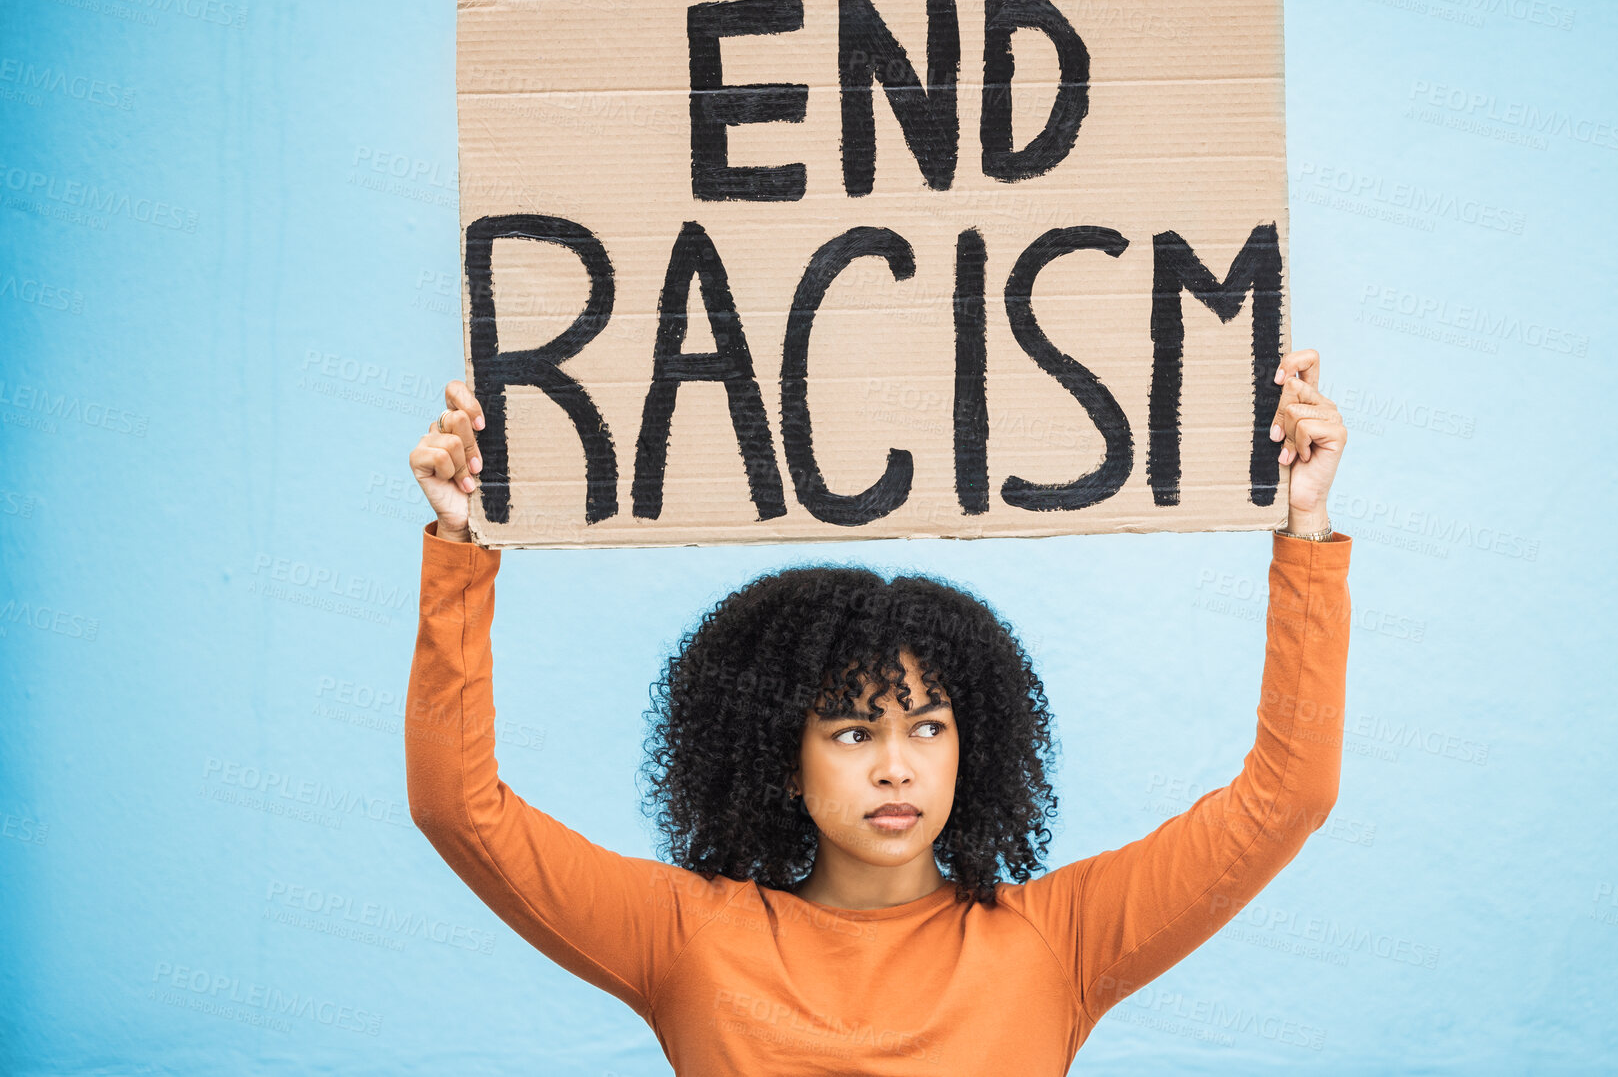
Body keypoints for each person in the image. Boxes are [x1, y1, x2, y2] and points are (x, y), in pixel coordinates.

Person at [404, 347, 1351, 1074]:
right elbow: (458, 807)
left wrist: (1304, 525)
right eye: (853, 732)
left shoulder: (1057, 940)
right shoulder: (689, 939)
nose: (895, 766)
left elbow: (1286, 799)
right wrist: (459, 542)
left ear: (967, 751)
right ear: (784, 758)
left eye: (926, 727)